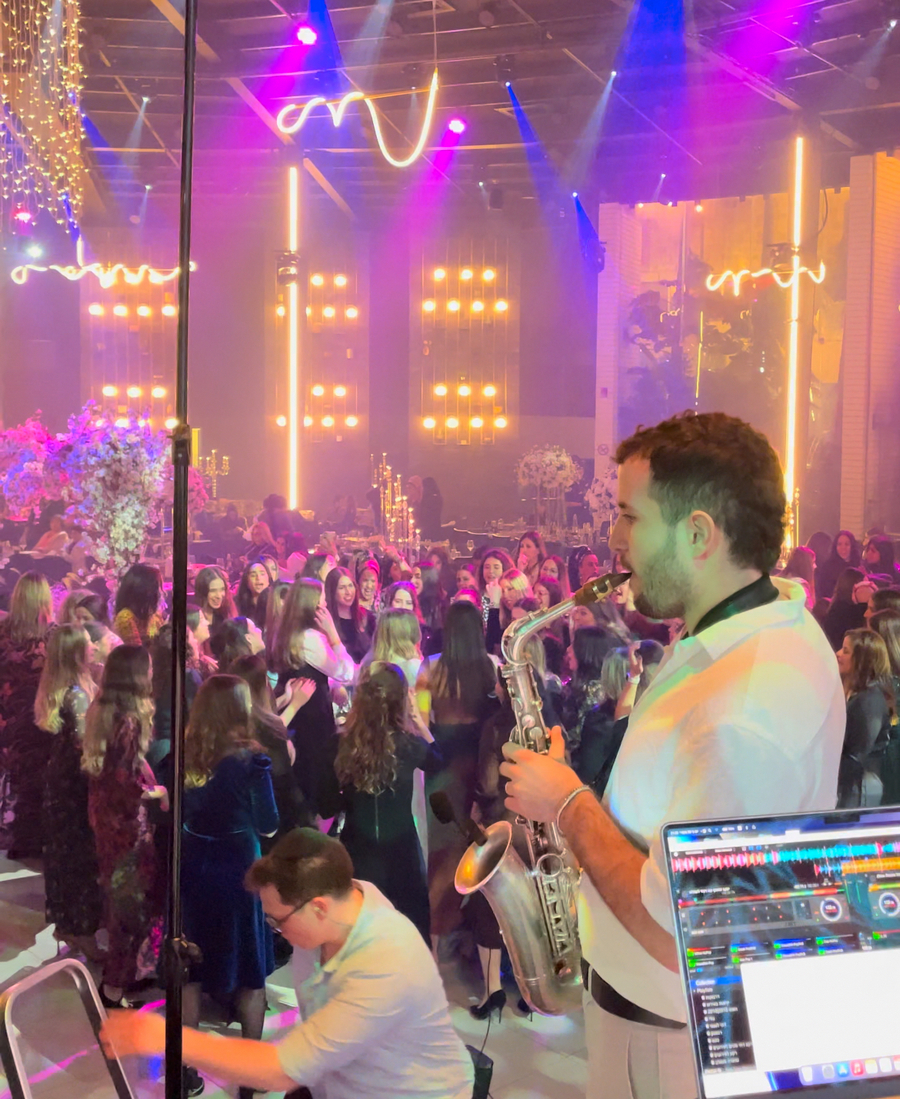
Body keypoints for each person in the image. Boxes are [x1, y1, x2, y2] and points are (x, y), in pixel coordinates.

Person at [499, 411, 844, 1099]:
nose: (613, 538)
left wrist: (567, 805)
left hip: (670, 1048)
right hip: (665, 1030)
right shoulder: (759, 623)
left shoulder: (745, 707)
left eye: (630, 516)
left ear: (697, 534)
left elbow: (683, 932)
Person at [100, 828, 475, 1099]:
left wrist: (167, 1038)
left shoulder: (385, 960)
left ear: (319, 908)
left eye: (277, 922)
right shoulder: (340, 905)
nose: (275, 931)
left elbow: (280, 1069)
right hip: (341, 1082)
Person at [179, 674, 280, 1099]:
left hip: (193, 865)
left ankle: (184, 1070)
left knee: (189, 969)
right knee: (251, 971)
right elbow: (269, 824)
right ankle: (250, 1076)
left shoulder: (186, 753)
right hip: (238, 869)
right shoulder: (250, 762)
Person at [83, 645, 167, 1007]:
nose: (152, 673)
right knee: (131, 906)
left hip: (104, 819)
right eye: (147, 668)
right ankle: (115, 987)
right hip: (126, 826)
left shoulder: (101, 710)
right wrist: (159, 792)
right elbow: (127, 782)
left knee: (119, 900)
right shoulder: (129, 722)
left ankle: (122, 978)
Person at [335, 663, 439, 943]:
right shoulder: (409, 745)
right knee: (408, 928)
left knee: (363, 931)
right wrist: (419, 722)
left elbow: (328, 802)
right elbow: (439, 762)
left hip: (358, 848)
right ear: (401, 701)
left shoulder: (343, 744)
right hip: (401, 851)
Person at [416, 600, 498, 947]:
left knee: (443, 847)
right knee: (479, 841)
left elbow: (421, 721)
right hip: (480, 762)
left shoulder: (431, 667)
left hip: (444, 762)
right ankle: (476, 928)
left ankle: (437, 934)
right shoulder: (492, 666)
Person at [35, 623, 103, 958]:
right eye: (89, 643)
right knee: (80, 857)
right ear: (77, 652)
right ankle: (83, 932)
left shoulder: (63, 685)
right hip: (74, 785)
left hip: (59, 780)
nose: (94, 646)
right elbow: (82, 741)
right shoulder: (76, 693)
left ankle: (67, 925)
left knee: (64, 856)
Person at [270, 579, 354, 819]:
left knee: (304, 775)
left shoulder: (285, 632)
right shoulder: (311, 638)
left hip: (298, 712)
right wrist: (334, 636)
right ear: (312, 607)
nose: (326, 605)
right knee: (318, 778)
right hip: (314, 715)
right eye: (322, 601)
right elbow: (346, 672)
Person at [229, 654, 314, 848]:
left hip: (240, 821)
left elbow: (262, 714)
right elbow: (285, 780)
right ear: (262, 686)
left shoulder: (232, 717)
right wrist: (295, 705)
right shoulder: (265, 732)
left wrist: (285, 698)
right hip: (271, 823)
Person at [0, 572, 54, 858]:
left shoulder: (3, 633)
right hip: (41, 717)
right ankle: (32, 839)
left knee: (12, 777)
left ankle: (12, 835)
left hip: (8, 717)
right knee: (38, 779)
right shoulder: (53, 635)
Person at [835, 628, 894, 808]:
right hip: (848, 784)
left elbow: (859, 753)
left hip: (858, 788)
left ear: (862, 660)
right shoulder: (850, 692)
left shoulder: (869, 701)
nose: (838, 654)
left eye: (846, 651)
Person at [324, 566, 374, 665]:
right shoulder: (327, 620)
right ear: (332, 592)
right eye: (342, 588)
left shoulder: (368, 617)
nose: (348, 592)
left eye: (350, 586)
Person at [112, 564, 164, 646]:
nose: (161, 592)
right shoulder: (125, 618)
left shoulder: (154, 614)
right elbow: (137, 651)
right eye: (157, 587)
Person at [820, 566, 867, 650]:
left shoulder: (837, 607)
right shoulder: (847, 612)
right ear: (854, 587)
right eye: (864, 585)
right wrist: (863, 605)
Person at [815, 529, 861, 599]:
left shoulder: (858, 565)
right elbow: (822, 591)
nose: (843, 548)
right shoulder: (828, 567)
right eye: (839, 544)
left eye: (847, 544)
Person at [194, 565, 236, 629]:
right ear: (202, 591)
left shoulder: (226, 614)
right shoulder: (193, 618)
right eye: (213, 590)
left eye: (222, 589)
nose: (219, 596)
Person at [235, 560, 271, 628]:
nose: (258, 578)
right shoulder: (237, 605)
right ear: (246, 581)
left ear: (269, 579)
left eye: (262, 574)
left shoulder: (276, 604)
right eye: (253, 575)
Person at [781, 545, 816, 610]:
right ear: (806, 565)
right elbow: (808, 611)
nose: (815, 566)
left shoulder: (780, 580)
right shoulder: (801, 586)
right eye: (813, 562)